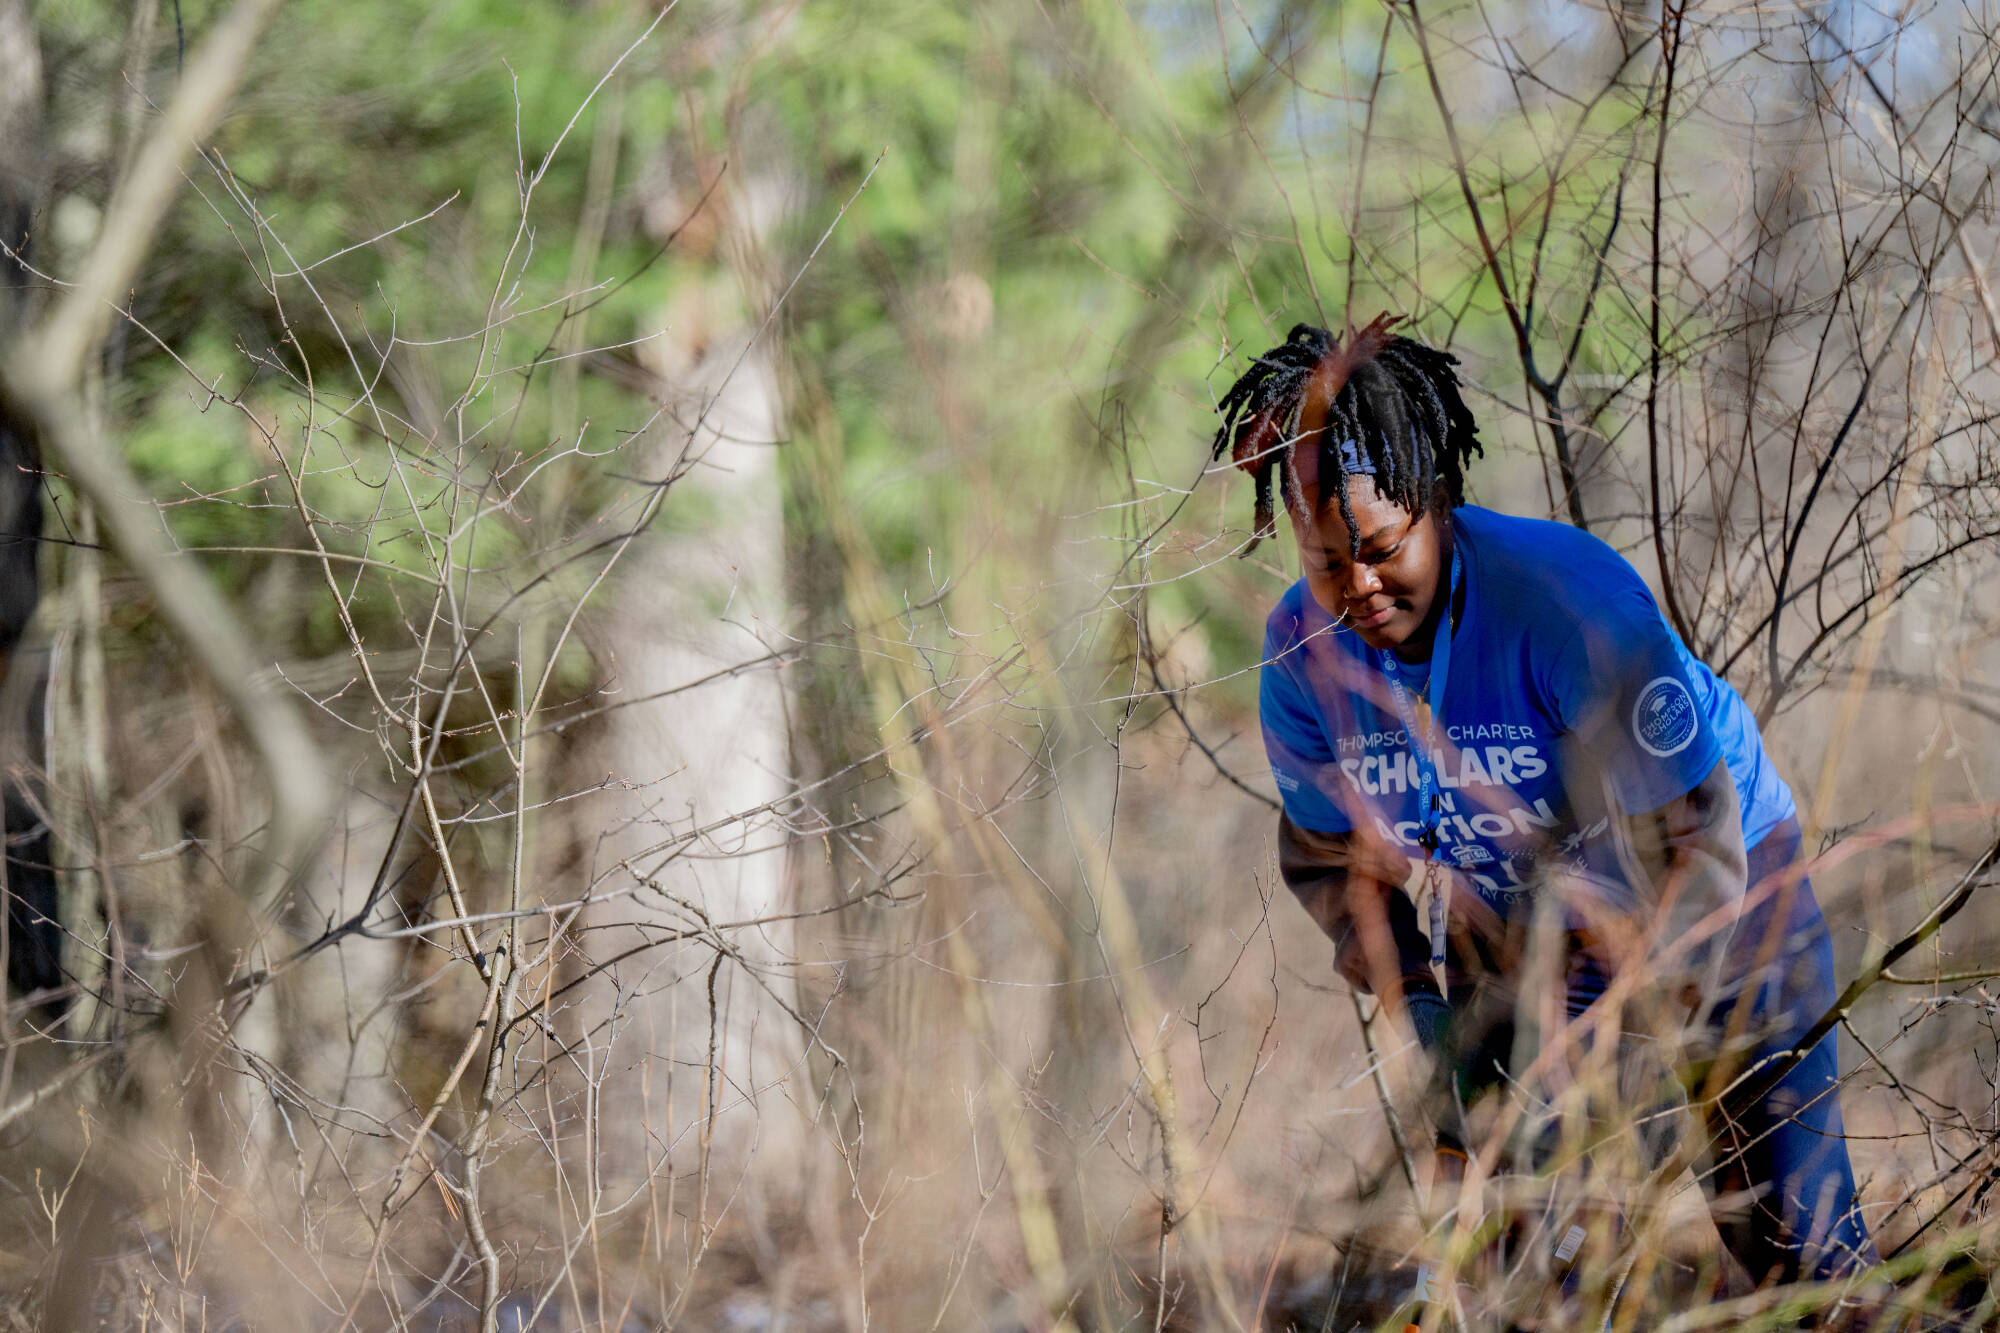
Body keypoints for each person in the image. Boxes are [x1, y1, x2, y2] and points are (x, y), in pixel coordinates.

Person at [1210, 314, 1876, 1287]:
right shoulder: (1298, 664)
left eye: (1382, 546)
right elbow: (1336, 876)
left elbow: (1698, 855)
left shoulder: (1568, 610)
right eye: (1322, 561)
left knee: (1804, 1263)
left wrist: (1610, 1077)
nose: (1356, 584)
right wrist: (1444, 1038)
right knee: (1539, 1272)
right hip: (1527, 937)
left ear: (1437, 498)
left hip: (1722, 910)